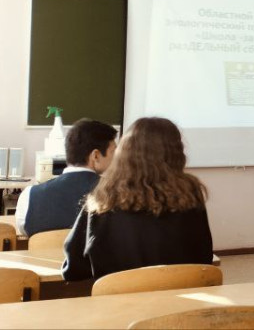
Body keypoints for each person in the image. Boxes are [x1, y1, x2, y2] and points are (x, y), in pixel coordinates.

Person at [61, 117, 212, 281]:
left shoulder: (104, 196)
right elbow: (204, 257)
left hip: (118, 295)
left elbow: (74, 269)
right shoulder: (190, 193)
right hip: (180, 292)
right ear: (176, 153)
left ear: (124, 152)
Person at [16, 118, 117, 237]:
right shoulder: (118, 194)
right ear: (95, 156)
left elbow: (25, 234)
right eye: (113, 152)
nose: (116, 158)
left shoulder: (29, 197)